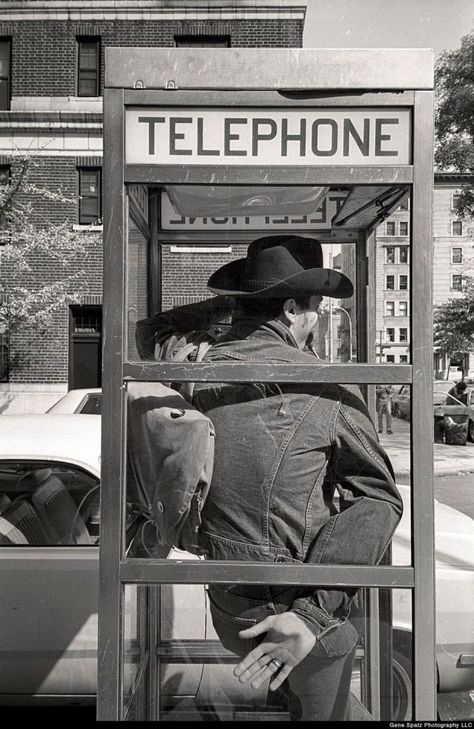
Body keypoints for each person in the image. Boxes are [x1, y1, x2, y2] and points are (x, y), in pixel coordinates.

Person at [136, 235, 402, 721]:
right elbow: (380, 500)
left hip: (229, 604)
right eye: (315, 306)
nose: (317, 317)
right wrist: (313, 614)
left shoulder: (191, 367)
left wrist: (240, 303)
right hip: (290, 616)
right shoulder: (324, 389)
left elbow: (153, 328)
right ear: (291, 310)